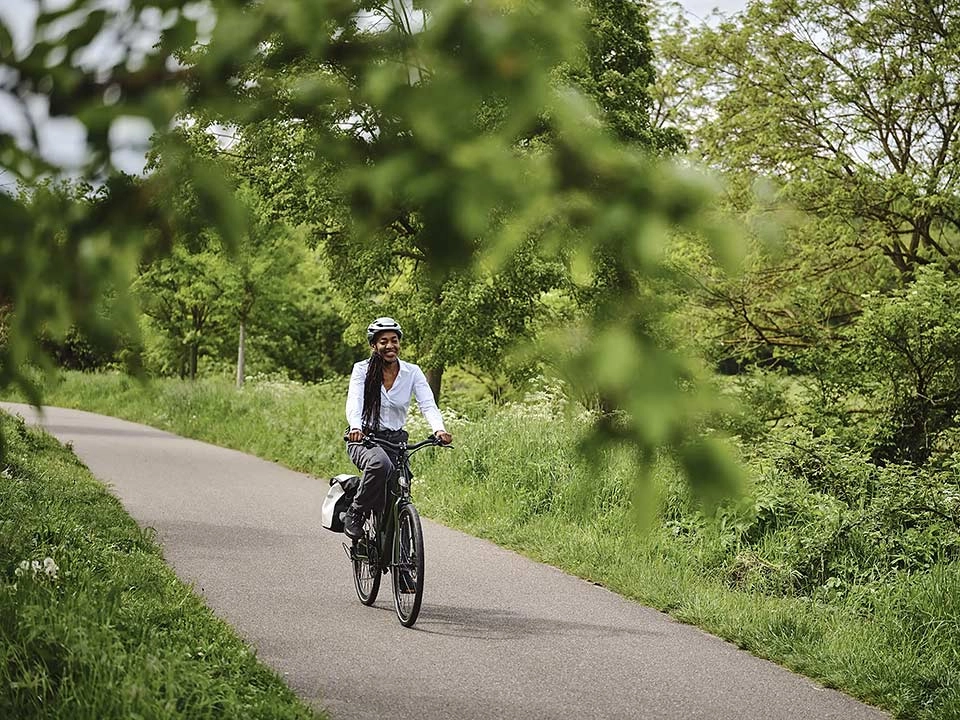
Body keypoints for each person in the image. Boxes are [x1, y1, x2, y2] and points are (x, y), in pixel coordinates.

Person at [342, 316, 452, 540]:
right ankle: (356, 512)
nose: (390, 346)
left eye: (394, 340)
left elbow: (428, 404)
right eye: (383, 341)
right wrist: (356, 427)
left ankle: (403, 562)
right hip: (365, 439)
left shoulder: (412, 372)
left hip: (396, 441)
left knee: (399, 495)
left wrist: (439, 429)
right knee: (379, 464)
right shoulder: (362, 370)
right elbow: (354, 402)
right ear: (374, 345)